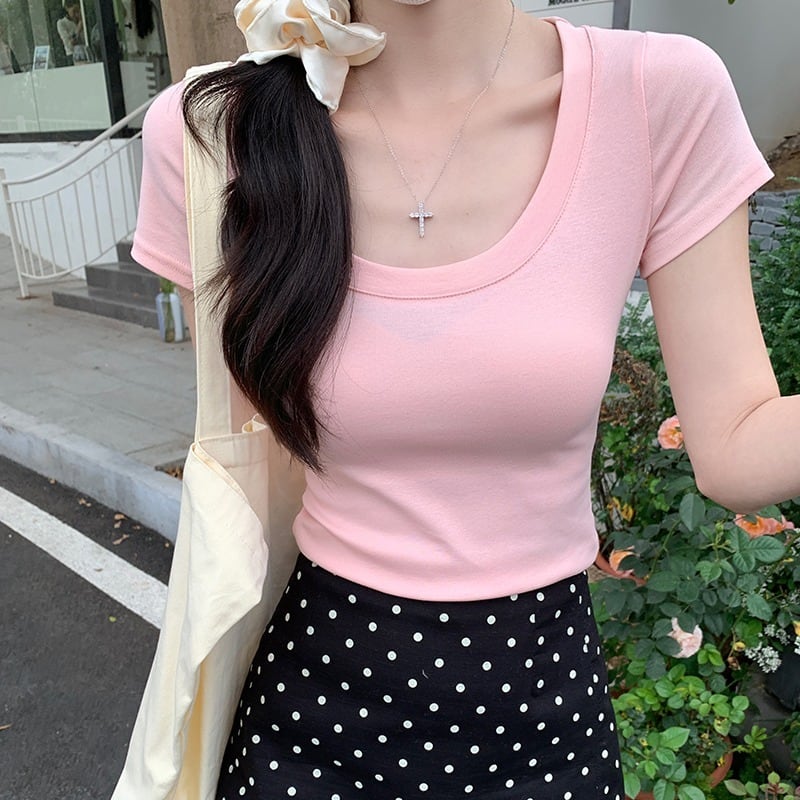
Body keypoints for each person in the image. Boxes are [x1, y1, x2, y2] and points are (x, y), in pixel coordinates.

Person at [130, 0, 798, 797]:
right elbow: (252, 454)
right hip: (313, 720)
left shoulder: (658, 96)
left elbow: (736, 444)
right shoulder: (212, 133)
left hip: (546, 715)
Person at [56, 0, 84, 65]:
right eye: (74, 11)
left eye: (78, 11)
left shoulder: (81, 20)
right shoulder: (62, 23)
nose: (76, 14)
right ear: (67, 9)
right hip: (72, 55)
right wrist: (78, 30)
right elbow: (69, 45)